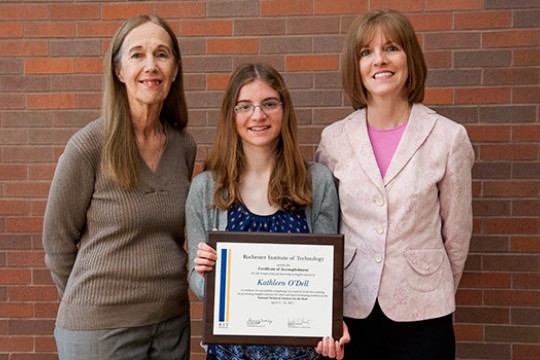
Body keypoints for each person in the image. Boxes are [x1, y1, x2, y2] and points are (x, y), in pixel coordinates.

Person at [315, 9, 475, 360]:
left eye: (391, 48)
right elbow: (327, 226)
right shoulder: (334, 139)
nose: (379, 60)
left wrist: (432, 282)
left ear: (409, 59)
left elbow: (458, 234)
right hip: (352, 310)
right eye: (366, 52)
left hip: (424, 312)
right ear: (355, 66)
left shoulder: (448, 138)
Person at [42, 15, 196, 360]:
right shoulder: (88, 146)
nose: (151, 65)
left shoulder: (183, 146)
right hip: (100, 332)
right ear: (119, 71)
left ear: (174, 69)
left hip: (172, 325)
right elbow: (56, 243)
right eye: (137, 54)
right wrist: (96, 302)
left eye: (162, 54)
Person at [186, 63, 350, 360]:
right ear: (231, 115)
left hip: (302, 355)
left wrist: (331, 323)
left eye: (269, 103)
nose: (258, 115)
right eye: (244, 106)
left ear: (284, 109)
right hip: (230, 355)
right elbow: (197, 285)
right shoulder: (205, 189)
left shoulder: (317, 182)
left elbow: (327, 279)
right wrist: (205, 272)